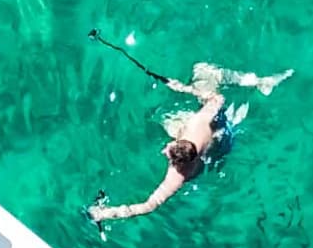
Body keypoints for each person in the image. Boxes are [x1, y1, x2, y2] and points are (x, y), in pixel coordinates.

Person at [88, 60, 291, 224]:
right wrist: (185, 89)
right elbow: (218, 100)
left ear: (178, 162)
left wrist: (104, 214)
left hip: (217, 147)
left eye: (168, 151)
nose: (164, 150)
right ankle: (260, 82)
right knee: (202, 71)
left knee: (165, 111)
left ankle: (259, 83)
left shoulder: (178, 175)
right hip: (219, 140)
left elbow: (148, 205)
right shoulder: (198, 124)